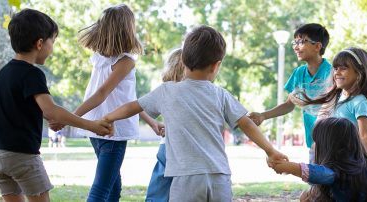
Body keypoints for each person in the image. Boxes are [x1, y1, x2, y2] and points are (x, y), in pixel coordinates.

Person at [102, 26, 287, 201]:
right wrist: (270, 150)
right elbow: (247, 124)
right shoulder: (220, 94)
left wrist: (108, 118)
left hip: (185, 178)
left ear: (182, 60)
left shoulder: (167, 91)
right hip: (219, 176)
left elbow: (133, 107)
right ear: (216, 66)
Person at [0, 9, 112, 202]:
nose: (52, 47)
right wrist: (91, 125)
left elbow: (22, 107)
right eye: (52, 41)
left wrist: (54, 118)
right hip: (21, 156)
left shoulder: (4, 73)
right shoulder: (32, 74)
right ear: (40, 43)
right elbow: (51, 110)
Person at [45, 4, 158, 201]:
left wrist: (152, 122)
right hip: (112, 130)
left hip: (96, 128)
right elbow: (101, 94)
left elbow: (129, 99)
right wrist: (70, 118)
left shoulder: (100, 58)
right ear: (128, 29)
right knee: (102, 190)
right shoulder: (125, 61)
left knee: (113, 188)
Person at [271, 117, 367, 202]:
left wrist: (284, 166)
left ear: (329, 146)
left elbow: (318, 173)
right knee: (307, 196)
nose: (314, 145)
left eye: (317, 141)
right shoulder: (357, 166)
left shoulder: (340, 171)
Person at [249, 23, 332, 155]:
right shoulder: (299, 73)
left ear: (317, 46)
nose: (296, 47)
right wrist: (263, 116)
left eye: (302, 42)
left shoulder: (332, 73)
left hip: (333, 141)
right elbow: (289, 105)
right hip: (313, 143)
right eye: (295, 42)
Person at [304, 47, 367, 152]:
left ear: (358, 73)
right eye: (335, 68)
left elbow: (365, 136)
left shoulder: (360, 102)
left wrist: (362, 164)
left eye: (343, 68)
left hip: (345, 163)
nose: (337, 73)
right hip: (327, 158)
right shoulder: (336, 99)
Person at [145, 48, 185, 202]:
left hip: (166, 147)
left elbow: (139, 106)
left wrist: (156, 124)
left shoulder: (165, 90)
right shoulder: (192, 91)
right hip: (180, 149)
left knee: (159, 191)